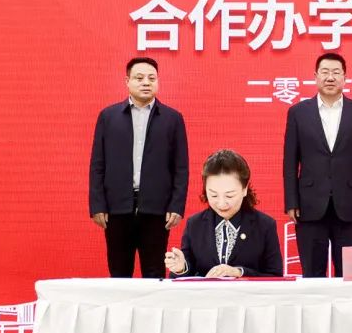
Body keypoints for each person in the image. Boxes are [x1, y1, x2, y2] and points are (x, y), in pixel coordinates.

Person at [89, 57, 189, 278]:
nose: (146, 82)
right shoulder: (108, 117)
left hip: (156, 210)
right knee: (119, 273)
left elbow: (180, 167)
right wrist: (97, 205)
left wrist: (176, 205)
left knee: (154, 273)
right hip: (117, 208)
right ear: (127, 81)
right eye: (139, 78)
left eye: (151, 78)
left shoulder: (172, 119)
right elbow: (98, 164)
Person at [283, 52, 352, 277]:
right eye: (325, 72)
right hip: (309, 205)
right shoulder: (298, 113)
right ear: (315, 76)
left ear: (345, 77)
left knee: (349, 274)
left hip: (349, 204)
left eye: (336, 72)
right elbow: (290, 161)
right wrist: (291, 202)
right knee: (312, 273)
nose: (330, 77)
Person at [165, 150, 282, 277]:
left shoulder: (265, 225)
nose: (221, 204)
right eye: (214, 195)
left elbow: (275, 276)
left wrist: (240, 272)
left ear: (245, 189)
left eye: (229, 195)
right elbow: (186, 272)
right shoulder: (194, 224)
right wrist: (181, 268)